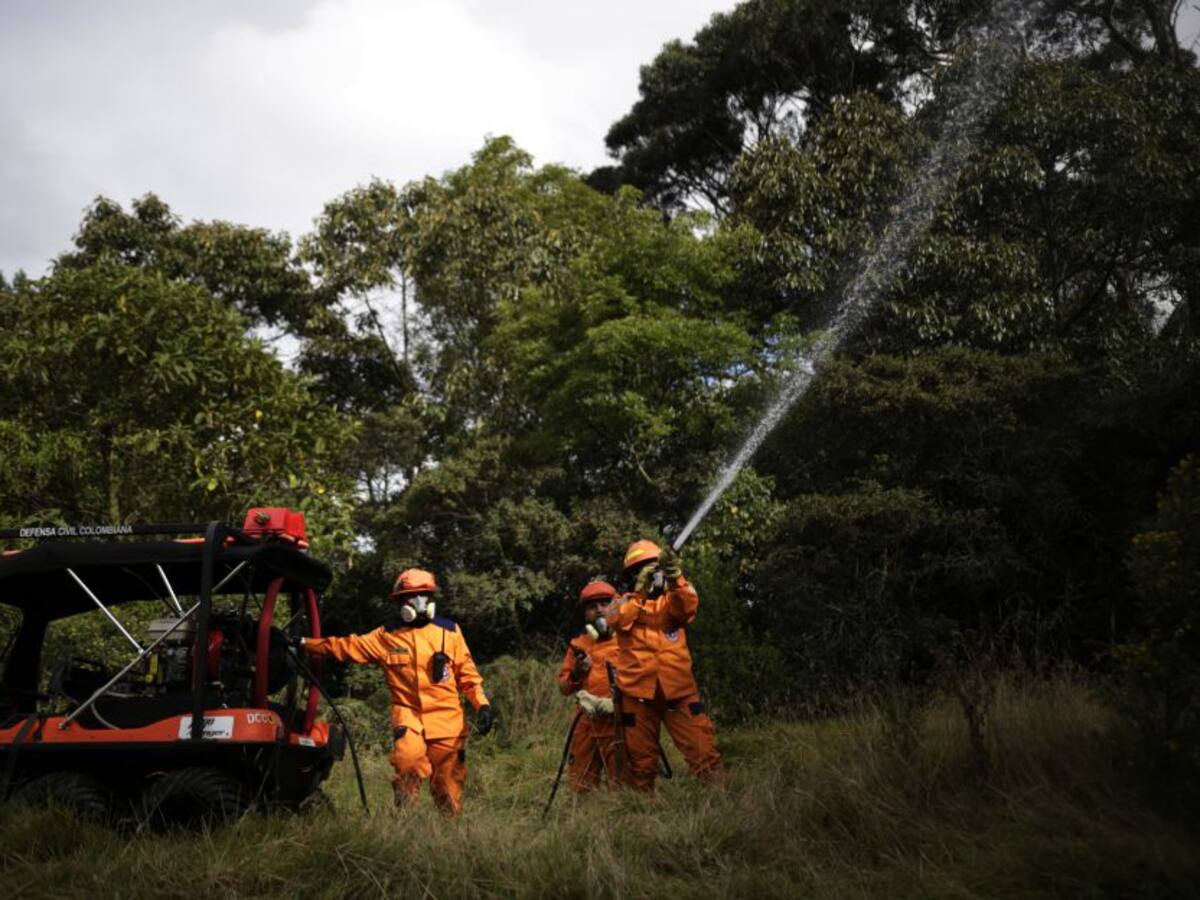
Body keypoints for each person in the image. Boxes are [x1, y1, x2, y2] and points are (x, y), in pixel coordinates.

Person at [297, 568, 493, 814]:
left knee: (447, 783)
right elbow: (347, 646)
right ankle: (404, 819)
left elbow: (468, 675)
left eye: (424, 595)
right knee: (408, 761)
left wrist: (482, 705)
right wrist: (305, 643)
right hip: (408, 716)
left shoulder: (450, 632)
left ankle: (448, 827)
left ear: (432, 598)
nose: (419, 601)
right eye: (411, 596)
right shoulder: (386, 636)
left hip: (447, 720)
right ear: (401, 602)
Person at [603, 540, 723, 791]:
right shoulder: (622, 602)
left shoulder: (674, 598)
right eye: (643, 569)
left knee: (703, 752)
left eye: (654, 567)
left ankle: (720, 798)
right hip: (637, 696)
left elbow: (689, 606)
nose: (651, 574)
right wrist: (639, 593)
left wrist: (676, 576)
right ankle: (642, 809)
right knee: (641, 763)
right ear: (633, 575)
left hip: (679, 692)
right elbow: (615, 618)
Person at [556, 579, 622, 792]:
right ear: (585, 614)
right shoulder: (578, 645)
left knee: (622, 786)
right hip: (586, 723)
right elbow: (563, 687)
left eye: (604, 603)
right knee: (580, 787)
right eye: (592, 606)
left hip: (619, 721)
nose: (599, 610)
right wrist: (577, 672)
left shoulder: (628, 639)